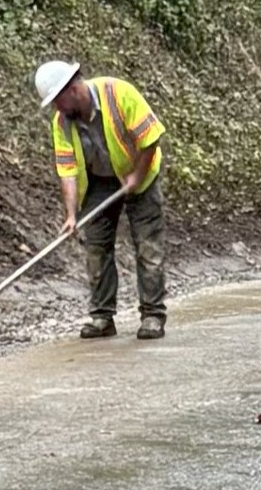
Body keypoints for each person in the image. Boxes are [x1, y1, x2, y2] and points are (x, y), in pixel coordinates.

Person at [36, 56, 166, 338]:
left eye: (58, 101)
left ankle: (153, 315)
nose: (57, 109)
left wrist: (136, 176)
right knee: (96, 246)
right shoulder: (62, 122)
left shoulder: (119, 94)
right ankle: (102, 317)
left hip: (139, 171)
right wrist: (71, 215)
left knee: (147, 245)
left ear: (72, 89)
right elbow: (67, 169)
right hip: (99, 181)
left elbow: (151, 138)